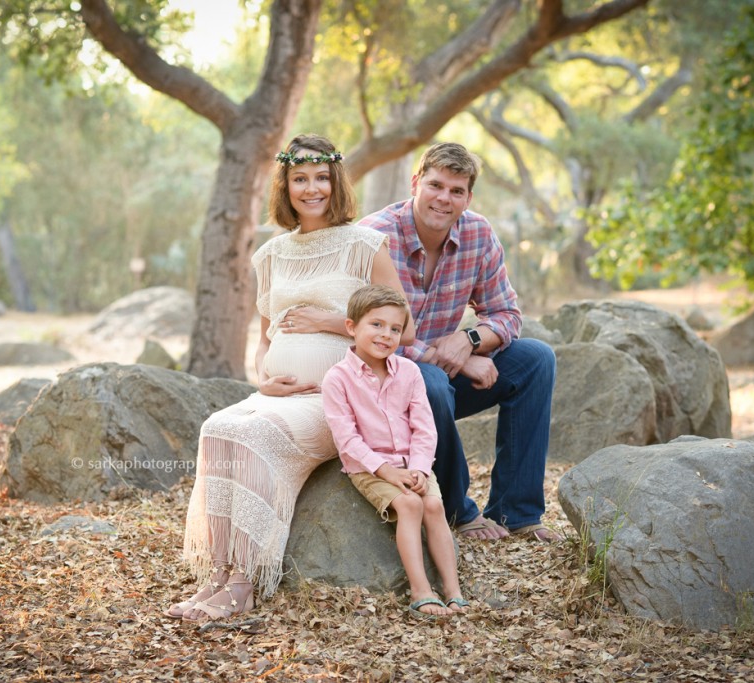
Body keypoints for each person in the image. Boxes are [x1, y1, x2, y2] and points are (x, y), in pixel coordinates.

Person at [167, 134, 413, 622]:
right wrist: (264, 377)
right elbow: (265, 338)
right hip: (279, 394)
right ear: (286, 186)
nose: (311, 188)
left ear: (335, 181)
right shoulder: (272, 254)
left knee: (257, 435)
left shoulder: (366, 246)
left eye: (321, 177)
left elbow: (404, 330)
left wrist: (328, 322)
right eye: (300, 179)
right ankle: (218, 571)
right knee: (217, 427)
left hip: (338, 397)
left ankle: (246, 580)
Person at [358, 142, 558, 543]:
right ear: (416, 183)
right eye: (435, 185)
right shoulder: (374, 237)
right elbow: (368, 335)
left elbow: (507, 314)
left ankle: (516, 511)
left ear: (468, 197)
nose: (443, 198)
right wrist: (455, 360)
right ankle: (456, 510)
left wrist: (468, 339)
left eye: (456, 191)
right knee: (428, 380)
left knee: (536, 359)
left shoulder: (478, 234)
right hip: (384, 385)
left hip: (443, 382)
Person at [322, 284, 468, 620]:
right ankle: (421, 590)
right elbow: (347, 440)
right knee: (409, 504)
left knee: (432, 503)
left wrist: (419, 468)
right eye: (376, 324)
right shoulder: (338, 379)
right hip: (369, 466)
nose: (386, 334)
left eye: (395, 329)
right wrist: (387, 472)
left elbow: (424, 428)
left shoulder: (410, 372)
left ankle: (453, 590)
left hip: (411, 464)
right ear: (351, 327)